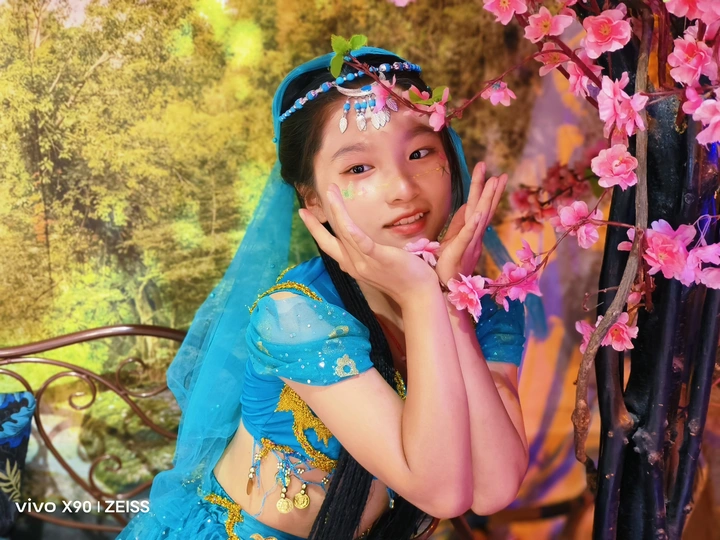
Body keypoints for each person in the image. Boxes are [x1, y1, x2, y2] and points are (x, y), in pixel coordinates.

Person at [118, 44, 529, 540]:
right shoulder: (296, 316)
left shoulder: (488, 305)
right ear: (313, 199)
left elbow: (493, 488)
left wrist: (452, 305)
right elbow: (441, 494)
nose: (403, 188)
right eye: (359, 169)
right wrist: (424, 297)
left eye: (420, 153)